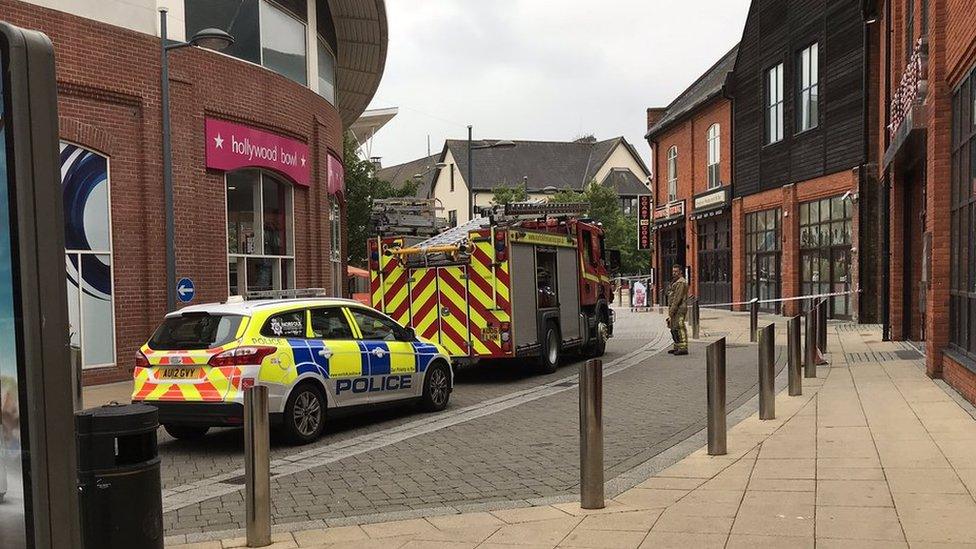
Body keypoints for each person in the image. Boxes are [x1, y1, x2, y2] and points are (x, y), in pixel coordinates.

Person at [667, 264, 689, 355]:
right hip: (674, 308)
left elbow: (677, 298)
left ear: (681, 272)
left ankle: (683, 347)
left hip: (679, 308)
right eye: (673, 271)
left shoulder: (681, 282)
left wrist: (672, 310)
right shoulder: (675, 281)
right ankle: (677, 346)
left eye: (676, 271)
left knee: (679, 327)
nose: (674, 273)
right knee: (673, 328)